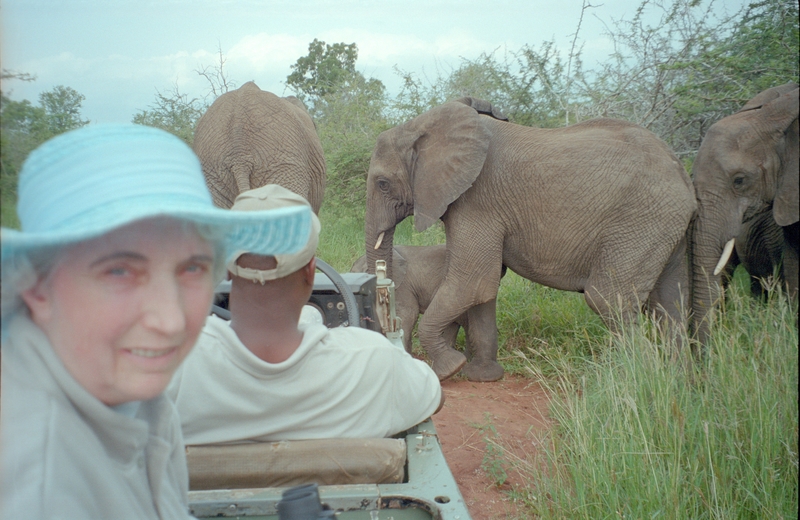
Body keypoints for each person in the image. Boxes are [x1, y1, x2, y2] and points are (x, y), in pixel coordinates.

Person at [0, 125, 312, 519]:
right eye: (119, 272)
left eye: (193, 267)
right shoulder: (34, 487)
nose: (170, 321)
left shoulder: (140, 401)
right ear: (37, 287)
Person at [167, 184, 444, 445]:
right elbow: (435, 397)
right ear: (310, 272)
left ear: (228, 269)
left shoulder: (171, 367)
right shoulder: (376, 363)